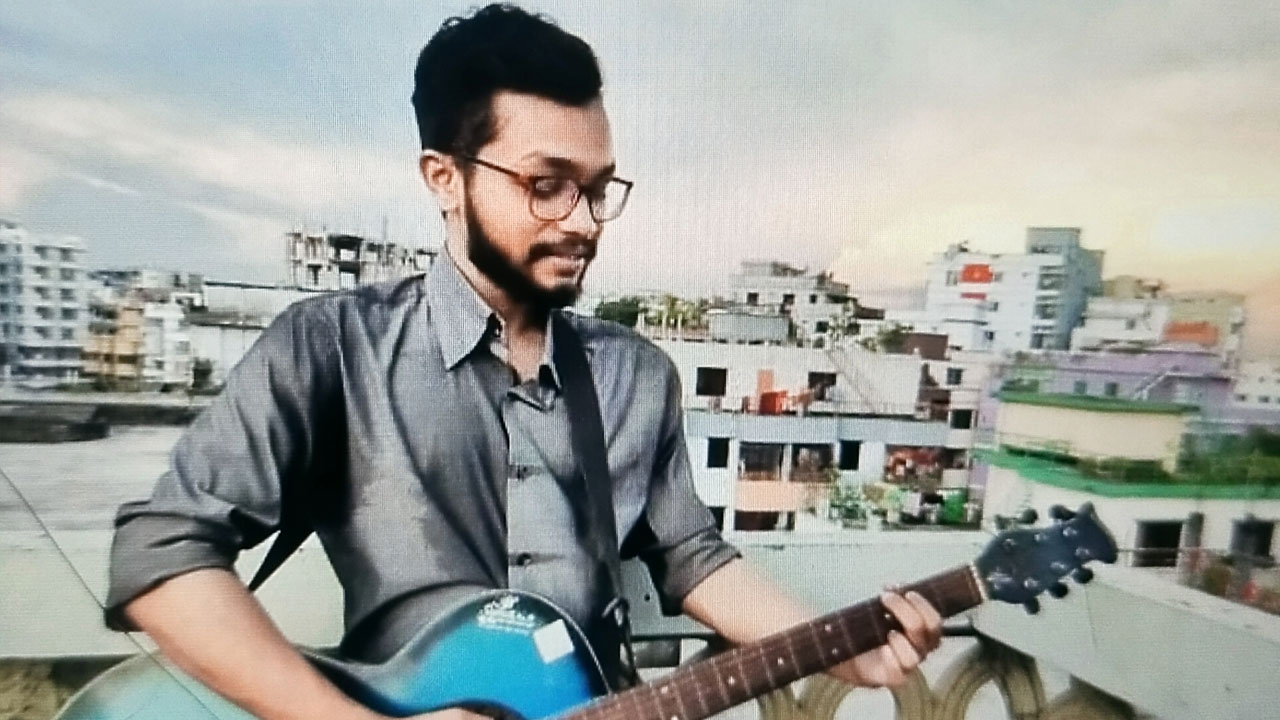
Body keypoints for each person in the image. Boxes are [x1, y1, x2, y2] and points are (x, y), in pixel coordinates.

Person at [104, 5, 943, 720]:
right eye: (547, 184)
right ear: (444, 178)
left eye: (599, 188)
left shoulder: (635, 377)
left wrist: (838, 644)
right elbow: (161, 555)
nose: (583, 221)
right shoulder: (331, 346)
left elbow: (693, 558)